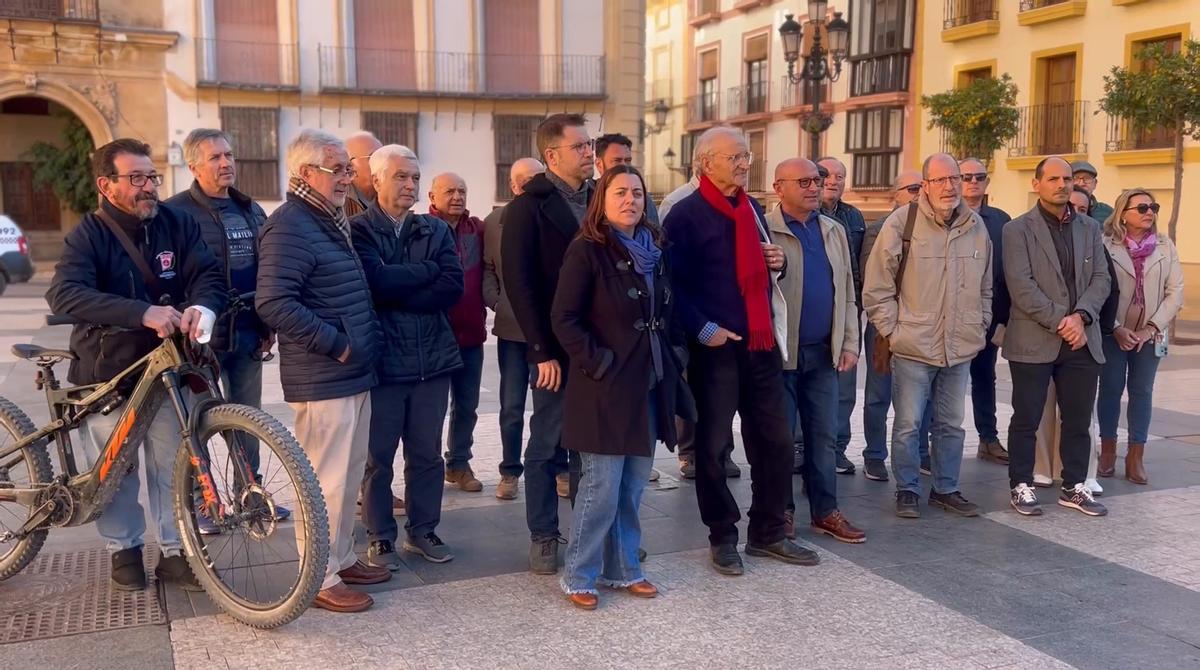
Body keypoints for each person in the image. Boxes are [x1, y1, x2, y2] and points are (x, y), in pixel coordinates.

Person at [46, 138, 227, 591]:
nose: (149, 187)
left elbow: (207, 274)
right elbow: (64, 293)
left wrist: (202, 308)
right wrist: (140, 312)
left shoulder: (176, 222)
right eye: (137, 178)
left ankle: (175, 550)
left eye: (152, 177)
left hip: (167, 367)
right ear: (106, 185)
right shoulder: (89, 234)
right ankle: (123, 548)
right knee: (116, 470)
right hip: (109, 371)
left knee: (173, 463)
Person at [666, 125, 820, 575]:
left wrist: (779, 262)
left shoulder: (750, 207)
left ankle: (768, 532)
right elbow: (671, 286)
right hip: (715, 350)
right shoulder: (684, 215)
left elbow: (760, 267)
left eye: (745, 156)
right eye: (733, 157)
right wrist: (702, 328)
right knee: (712, 448)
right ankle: (722, 536)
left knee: (776, 441)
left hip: (759, 342)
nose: (743, 164)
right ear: (705, 163)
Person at [256, 129, 390, 612]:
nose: (348, 178)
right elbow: (273, 302)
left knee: (348, 477)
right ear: (306, 172)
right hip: (324, 374)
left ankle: (341, 557)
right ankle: (319, 577)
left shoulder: (328, 217)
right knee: (323, 482)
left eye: (348, 169)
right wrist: (338, 345)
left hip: (352, 372)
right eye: (338, 169)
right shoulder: (290, 224)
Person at [551, 165, 686, 609]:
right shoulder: (587, 249)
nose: (630, 200)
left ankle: (624, 568)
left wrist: (675, 355)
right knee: (600, 489)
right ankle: (579, 574)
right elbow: (564, 319)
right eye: (620, 192)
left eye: (637, 193)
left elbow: (668, 312)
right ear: (603, 201)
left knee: (632, 487)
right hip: (604, 388)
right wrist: (599, 362)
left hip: (649, 383)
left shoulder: (655, 248)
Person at [163, 129, 291, 531]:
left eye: (229, 155)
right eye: (215, 157)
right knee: (197, 423)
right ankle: (203, 503)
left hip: (248, 333)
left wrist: (268, 322)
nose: (226, 163)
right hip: (199, 341)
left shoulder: (250, 209)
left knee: (248, 420)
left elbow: (267, 269)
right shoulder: (174, 213)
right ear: (193, 166)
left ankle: (249, 496)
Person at [862, 153, 992, 520]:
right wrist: (894, 332)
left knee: (951, 424)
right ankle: (907, 488)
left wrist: (980, 323)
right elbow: (877, 286)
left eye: (954, 179)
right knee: (908, 424)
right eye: (940, 180)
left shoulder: (976, 226)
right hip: (913, 345)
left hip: (960, 345)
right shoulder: (902, 223)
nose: (949, 186)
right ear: (925, 185)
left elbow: (985, 285)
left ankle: (946, 488)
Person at [352, 145, 464, 570]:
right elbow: (372, 285)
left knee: (427, 454)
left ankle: (423, 530)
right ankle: (380, 535)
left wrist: (398, 285)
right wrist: (424, 274)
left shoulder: (434, 230)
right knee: (377, 457)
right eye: (401, 176)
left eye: (415, 178)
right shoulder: (359, 230)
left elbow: (451, 287)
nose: (410, 185)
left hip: (433, 360)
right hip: (383, 362)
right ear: (376, 180)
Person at [502, 113, 596, 574]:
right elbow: (519, 285)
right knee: (546, 443)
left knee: (592, 448)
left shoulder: (602, 198)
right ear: (552, 155)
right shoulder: (527, 207)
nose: (589, 152)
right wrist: (540, 351)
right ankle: (543, 534)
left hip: (601, 347)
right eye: (580, 146)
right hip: (553, 350)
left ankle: (591, 533)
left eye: (590, 144)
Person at [1002, 156, 1111, 518]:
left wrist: (1081, 318)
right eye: (1053, 179)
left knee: (1078, 419)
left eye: (1066, 179)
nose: (1062, 184)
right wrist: (1062, 321)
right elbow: (1021, 285)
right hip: (1034, 338)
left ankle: (1074, 486)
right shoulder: (1017, 230)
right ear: (1037, 184)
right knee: (1027, 417)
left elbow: (1102, 278)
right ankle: (1021, 484)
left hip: (1081, 339)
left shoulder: (1089, 228)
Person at [767, 158, 865, 544]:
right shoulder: (764, 229)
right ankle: (782, 512)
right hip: (779, 355)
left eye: (817, 180)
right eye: (804, 181)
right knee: (779, 440)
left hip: (824, 353)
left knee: (823, 436)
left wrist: (850, 341)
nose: (814, 187)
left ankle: (825, 512)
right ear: (779, 187)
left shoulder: (833, 230)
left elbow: (848, 291)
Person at [1097, 189, 1184, 485]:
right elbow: (1100, 289)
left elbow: (1175, 293)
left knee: (1142, 391)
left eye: (1153, 207)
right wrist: (1116, 327)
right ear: (1123, 214)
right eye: (1142, 207)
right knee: (1110, 389)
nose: (1150, 212)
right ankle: (1107, 451)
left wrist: (1151, 328)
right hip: (1113, 333)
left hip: (1151, 335)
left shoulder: (1165, 245)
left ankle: (1136, 456)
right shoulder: (1106, 245)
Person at [859, 170, 931, 482]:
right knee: (879, 393)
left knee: (922, 395)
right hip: (885, 325)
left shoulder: (932, 227)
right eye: (912, 188)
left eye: (921, 187)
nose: (918, 193)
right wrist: (888, 323)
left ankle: (921, 452)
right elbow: (871, 278)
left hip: (923, 326)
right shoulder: (880, 229)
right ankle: (875, 455)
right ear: (895, 195)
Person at [484, 157, 547, 500]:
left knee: (550, 407)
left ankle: (556, 468)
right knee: (511, 407)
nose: (534, 186)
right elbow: (487, 269)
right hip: (511, 333)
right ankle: (509, 471)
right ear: (513, 185)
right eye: (527, 180)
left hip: (549, 333)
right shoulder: (494, 222)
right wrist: (498, 302)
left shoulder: (554, 217)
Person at [428, 172, 487, 493]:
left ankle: (459, 463)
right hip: (435, 337)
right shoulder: (422, 228)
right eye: (449, 191)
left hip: (471, 335)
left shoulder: (477, 229)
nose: (457, 197)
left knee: (467, 405)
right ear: (432, 197)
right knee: (433, 409)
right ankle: (429, 468)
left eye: (462, 191)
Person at [958, 158, 1012, 466]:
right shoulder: (943, 216)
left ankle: (988, 439)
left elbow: (1010, 271)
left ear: (987, 182)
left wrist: (1004, 318)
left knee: (984, 378)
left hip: (989, 316)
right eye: (966, 177)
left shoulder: (1001, 221)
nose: (973, 182)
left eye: (979, 177)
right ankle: (935, 444)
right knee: (944, 383)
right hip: (952, 317)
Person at [816, 157, 866, 476]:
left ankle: (837, 448)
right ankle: (802, 447)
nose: (833, 181)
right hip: (815, 313)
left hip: (848, 310)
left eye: (840, 176)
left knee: (845, 386)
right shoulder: (804, 215)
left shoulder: (854, 216)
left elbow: (860, 264)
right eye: (827, 175)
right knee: (809, 382)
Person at [343, 131, 382, 218]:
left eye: (383, 158)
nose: (383, 163)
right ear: (349, 167)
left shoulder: (391, 197)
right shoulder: (338, 201)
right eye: (374, 157)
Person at [1071, 160, 1114, 224]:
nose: (1081, 183)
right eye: (1076, 178)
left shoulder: (1107, 213)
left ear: (1095, 184)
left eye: (1087, 178)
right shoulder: (1059, 210)